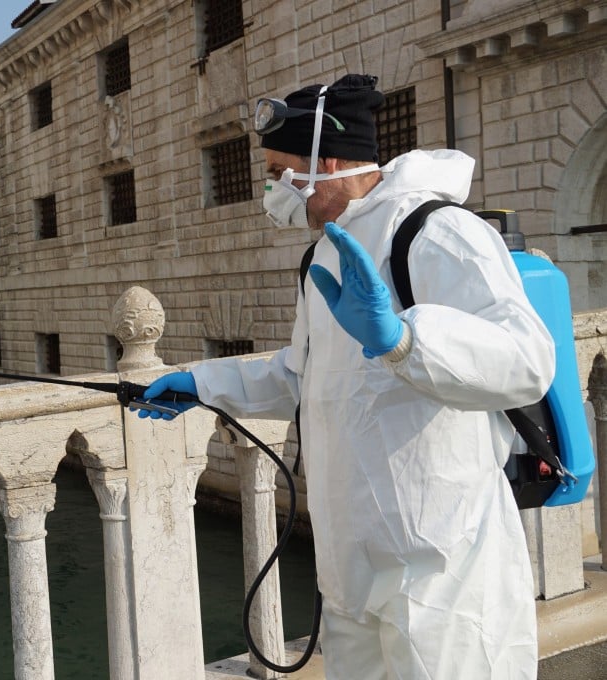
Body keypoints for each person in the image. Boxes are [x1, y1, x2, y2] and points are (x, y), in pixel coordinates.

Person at [137, 74, 554, 679]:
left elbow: (526, 362)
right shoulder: (322, 256)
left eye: (279, 173)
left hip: (442, 570)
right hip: (350, 572)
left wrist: (403, 341)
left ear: (326, 161)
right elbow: (306, 379)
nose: (272, 192)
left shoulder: (437, 231)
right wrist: (203, 384)